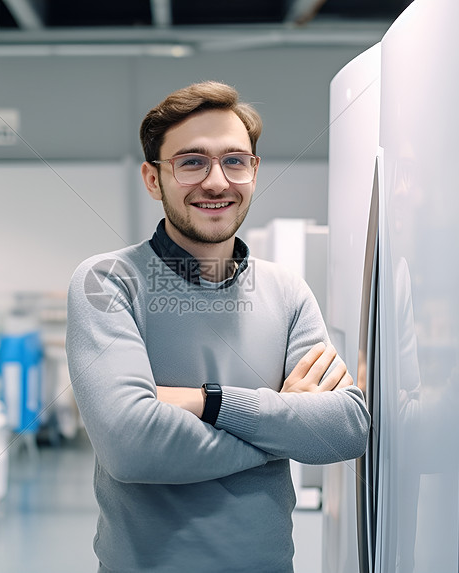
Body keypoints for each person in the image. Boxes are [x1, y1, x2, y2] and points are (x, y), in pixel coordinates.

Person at [66, 81, 370, 573]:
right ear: (152, 178)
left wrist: (207, 401)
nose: (215, 182)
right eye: (191, 162)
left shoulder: (286, 291)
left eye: (234, 160)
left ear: (253, 171)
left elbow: (346, 429)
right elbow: (131, 446)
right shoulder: (108, 281)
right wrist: (282, 427)